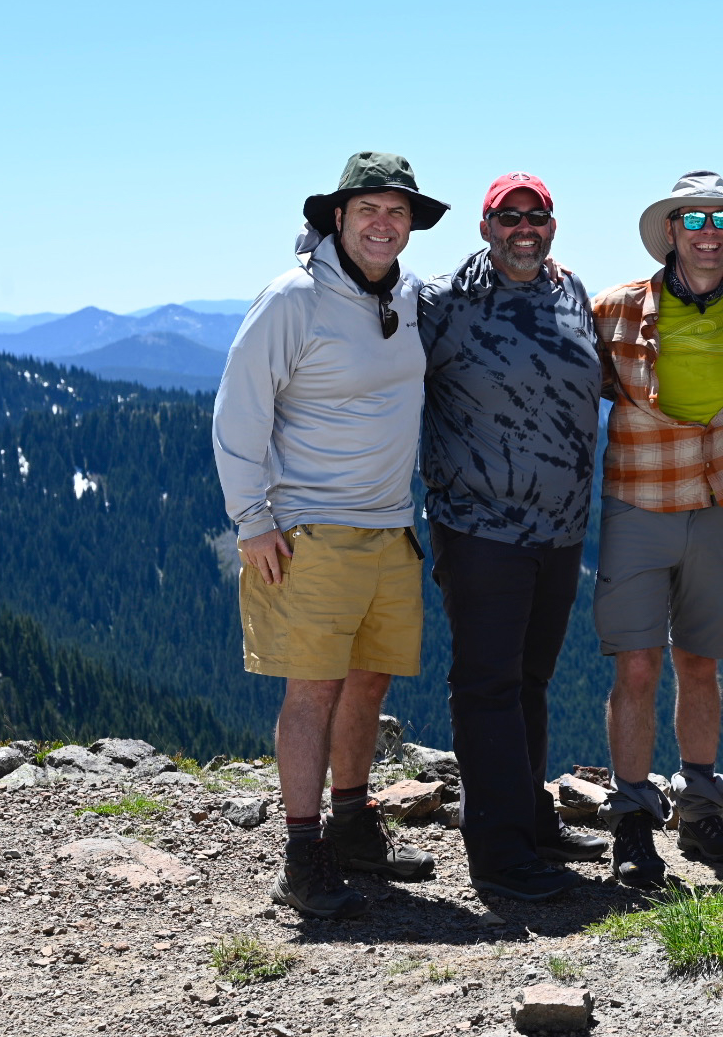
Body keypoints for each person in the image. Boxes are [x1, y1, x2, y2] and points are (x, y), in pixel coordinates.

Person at [213, 152, 447, 918]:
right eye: (368, 210)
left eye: (398, 212)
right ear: (336, 220)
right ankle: (301, 853)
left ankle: (351, 825)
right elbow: (239, 411)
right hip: (307, 528)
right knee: (312, 688)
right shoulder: (292, 300)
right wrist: (252, 521)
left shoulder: (409, 297)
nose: (384, 224)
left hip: (389, 527)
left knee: (369, 679)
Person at [591, 170, 723, 886]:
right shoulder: (615, 309)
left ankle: (703, 808)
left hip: (714, 508)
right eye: (694, 218)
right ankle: (631, 819)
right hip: (638, 506)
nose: (709, 231)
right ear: (671, 232)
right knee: (638, 665)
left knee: (701, 662)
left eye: (721, 218)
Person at [419, 172, 607, 903]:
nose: (524, 227)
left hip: (561, 530)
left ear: (552, 226)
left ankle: (530, 820)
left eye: (537, 215)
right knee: (488, 685)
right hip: (479, 527)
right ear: (484, 226)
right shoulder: (442, 302)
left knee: (529, 681)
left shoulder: (571, 291)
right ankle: (498, 853)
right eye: (509, 216)